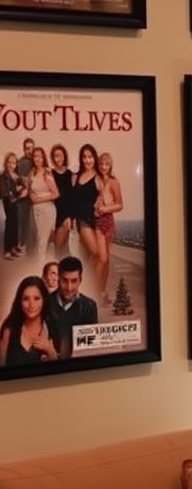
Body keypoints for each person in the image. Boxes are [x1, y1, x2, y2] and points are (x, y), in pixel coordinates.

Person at [0, 276, 60, 368]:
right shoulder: (9, 330)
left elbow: (60, 374)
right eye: (26, 299)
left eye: (36, 298)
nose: (31, 305)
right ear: (19, 302)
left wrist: (50, 351)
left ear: (44, 300)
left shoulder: (53, 328)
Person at [49, 255, 98, 359]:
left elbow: (90, 346)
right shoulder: (46, 303)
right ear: (58, 279)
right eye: (64, 280)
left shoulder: (89, 306)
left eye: (74, 281)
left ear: (80, 280)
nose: (69, 287)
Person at [94, 152, 124, 301]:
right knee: (102, 258)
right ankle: (94, 291)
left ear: (110, 165)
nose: (103, 167)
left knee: (107, 260)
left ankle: (102, 291)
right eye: (101, 164)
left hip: (108, 221)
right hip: (96, 221)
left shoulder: (114, 182)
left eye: (106, 164)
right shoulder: (95, 179)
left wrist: (106, 209)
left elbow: (120, 205)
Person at [71, 142, 101, 281]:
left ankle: (88, 286)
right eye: (84, 157)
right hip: (82, 220)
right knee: (95, 253)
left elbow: (105, 196)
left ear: (95, 158)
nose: (87, 160)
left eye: (90, 156)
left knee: (86, 256)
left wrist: (99, 203)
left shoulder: (99, 177)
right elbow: (72, 200)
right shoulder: (75, 177)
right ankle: (90, 284)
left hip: (97, 221)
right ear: (81, 159)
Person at [27, 146, 58, 263]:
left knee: (43, 242)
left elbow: (56, 194)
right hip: (36, 211)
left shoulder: (47, 174)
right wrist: (31, 197)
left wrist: (39, 199)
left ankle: (42, 269)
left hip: (47, 210)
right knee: (39, 240)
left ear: (43, 158)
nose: (37, 159)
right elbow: (30, 193)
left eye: (40, 156)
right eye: (35, 156)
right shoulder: (32, 173)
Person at [49, 143, 75, 255]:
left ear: (64, 156)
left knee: (60, 247)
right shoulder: (50, 174)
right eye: (56, 156)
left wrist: (70, 217)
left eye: (60, 155)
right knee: (59, 246)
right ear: (53, 158)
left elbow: (72, 197)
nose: (58, 158)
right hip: (53, 213)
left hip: (66, 216)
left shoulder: (70, 174)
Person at [0, 152, 27, 258]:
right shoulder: (3, 176)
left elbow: (24, 185)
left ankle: (13, 247)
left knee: (15, 225)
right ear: (6, 163)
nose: (12, 165)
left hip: (15, 202)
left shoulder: (16, 175)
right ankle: (7, 250)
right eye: (10, 162)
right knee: (10, 225)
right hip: (9, 203)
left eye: (14, 163)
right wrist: (17, 192)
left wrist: (21, 189)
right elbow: (5, 192)